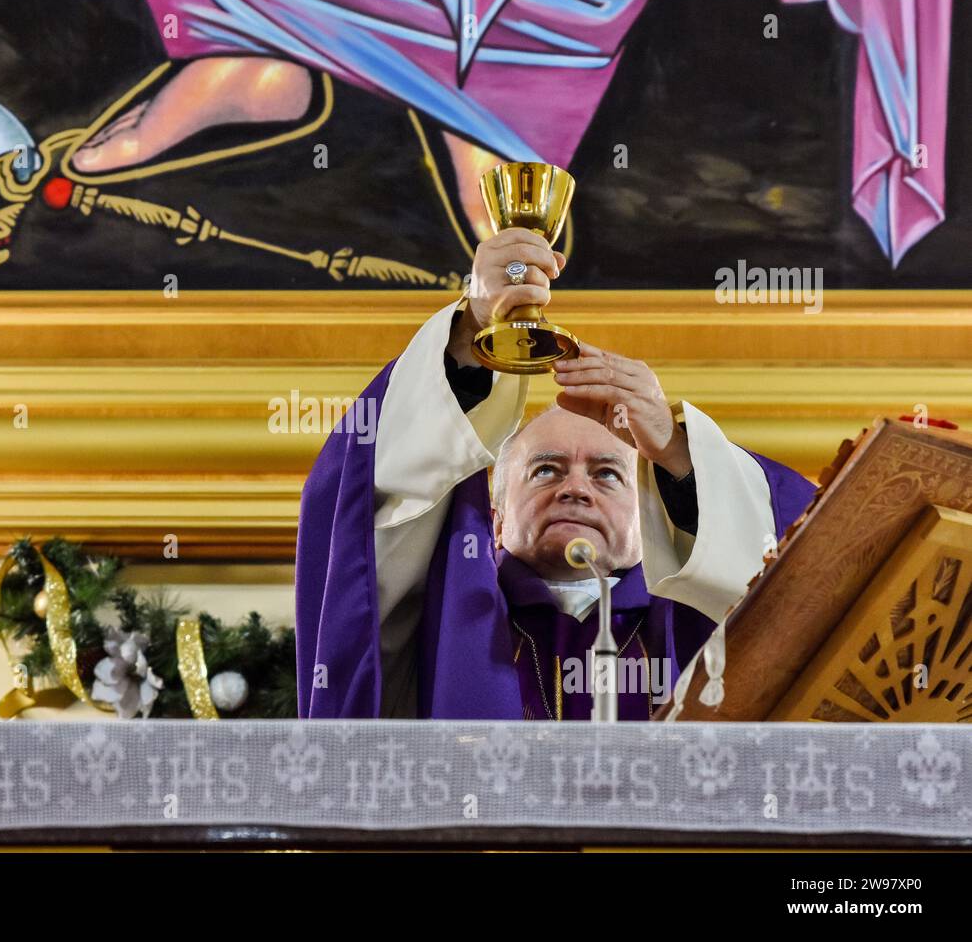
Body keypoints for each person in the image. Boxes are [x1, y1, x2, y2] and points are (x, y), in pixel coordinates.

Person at [296, 230, 816, 719]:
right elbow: (365, 528)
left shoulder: (698, 620)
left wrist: (675, 449)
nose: (575, 489)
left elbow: (811, 580)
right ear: (496, 520)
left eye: (609, 474)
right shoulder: (437, 617)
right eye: (545, 470)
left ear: (649, 519)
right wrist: (469, 337)